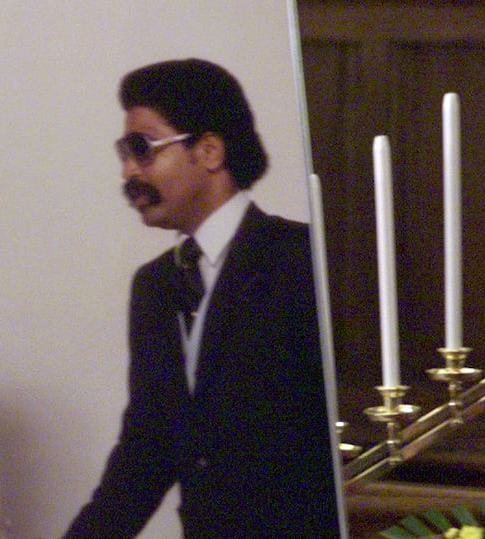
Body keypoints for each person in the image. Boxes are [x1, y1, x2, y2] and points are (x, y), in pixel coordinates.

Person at [62, 58, 341, 539]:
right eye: (123, 152)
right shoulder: (154, 286)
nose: (128, 170)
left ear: (209, 151)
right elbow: (148, 447)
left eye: (141, 149)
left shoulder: (304, 260)